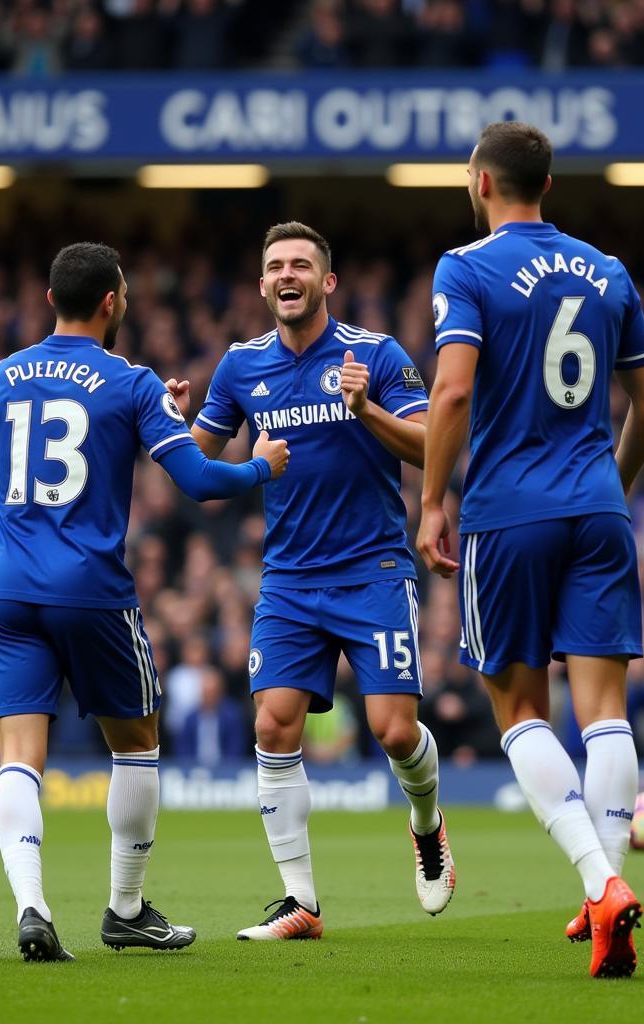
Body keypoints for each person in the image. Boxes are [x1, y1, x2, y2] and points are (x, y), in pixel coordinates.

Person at [0, 242, 289, 963]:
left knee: (18, 759)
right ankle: (125, 908)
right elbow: (197, 481)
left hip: (5, 593)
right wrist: (261, 464)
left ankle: (32, 905)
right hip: (92, 593)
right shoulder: (130, 381)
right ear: (110, 303)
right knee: (138, 743)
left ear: (49, 300)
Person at [416, 122, 644, 979]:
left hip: (509, 512)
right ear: (546, 185)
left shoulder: (467, 267)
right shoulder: (607, 270)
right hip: (597, 508)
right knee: (604, 712)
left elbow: (451, 392)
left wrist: (431, 503)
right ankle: (609, 892)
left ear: (481, 182)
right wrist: (612, 487)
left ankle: (601, 885)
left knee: (519, 707)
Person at [170, 221, 454, 941]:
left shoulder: (376, 355)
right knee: (273, 722)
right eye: (274, 266)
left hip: (373, 569)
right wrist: (169, 424)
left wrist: (367, 411)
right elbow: (197, 474)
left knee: (393, 732)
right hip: (291, 578)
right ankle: (300, 901)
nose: (286, 274)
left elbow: (433, 445)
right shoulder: (240, 367)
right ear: (263, 285)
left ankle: (427, 827)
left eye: (301, 264)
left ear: (327, 282)